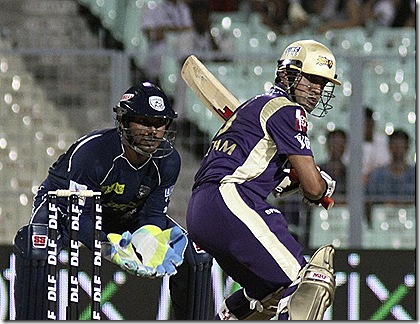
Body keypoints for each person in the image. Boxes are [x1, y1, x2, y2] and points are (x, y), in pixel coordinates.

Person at [13, 82, 213, 320]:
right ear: (124, 123)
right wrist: (111, 249)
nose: (153, 132)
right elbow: (82, 218)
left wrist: (147, 240)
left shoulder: (169, 161)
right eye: (144, 122)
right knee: (35, 246)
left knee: (196, 254)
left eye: (159, 124)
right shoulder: (94, 154)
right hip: (66, 209)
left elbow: (153, 215)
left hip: (124, 215)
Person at [186, 39, 341, 320]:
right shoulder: (287, 110)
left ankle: (233, 313)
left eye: (323, 84)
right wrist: (319, 186)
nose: (317, 90)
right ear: (287, 74)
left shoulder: (254, 106)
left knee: (269, 296)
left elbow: (273, 180)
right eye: (312, 79)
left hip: (203, 210)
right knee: (308, 286)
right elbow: (313, 187)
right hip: (230, 198)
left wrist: (293, 180)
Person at [141, 0, 193, 86]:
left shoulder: (183, 8)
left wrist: (165, 30)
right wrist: (170, 31)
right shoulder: (154, 6)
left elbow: (189, 28)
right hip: (158, 61)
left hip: (178, 57)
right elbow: (148, 30)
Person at [343, 107, 391, 184]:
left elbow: (387, 162)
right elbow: (346, 163)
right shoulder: (349, 142)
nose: (365, 127)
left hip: (379, 180)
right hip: (355, 182)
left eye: (368, 123)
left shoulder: (383, 140)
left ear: (372, 123)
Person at [366, 129, 415, 203]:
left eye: (401, 145)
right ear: (389, 146)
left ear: (407, 147)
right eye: (395, 144)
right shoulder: (377, 175)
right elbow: (369, 201)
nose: (398, 148)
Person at [319, 129, 347, 201]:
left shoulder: (350, 173)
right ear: (327, 145)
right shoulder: (318, 171)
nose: (338, 147)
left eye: (341, 144)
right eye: (335, 143)